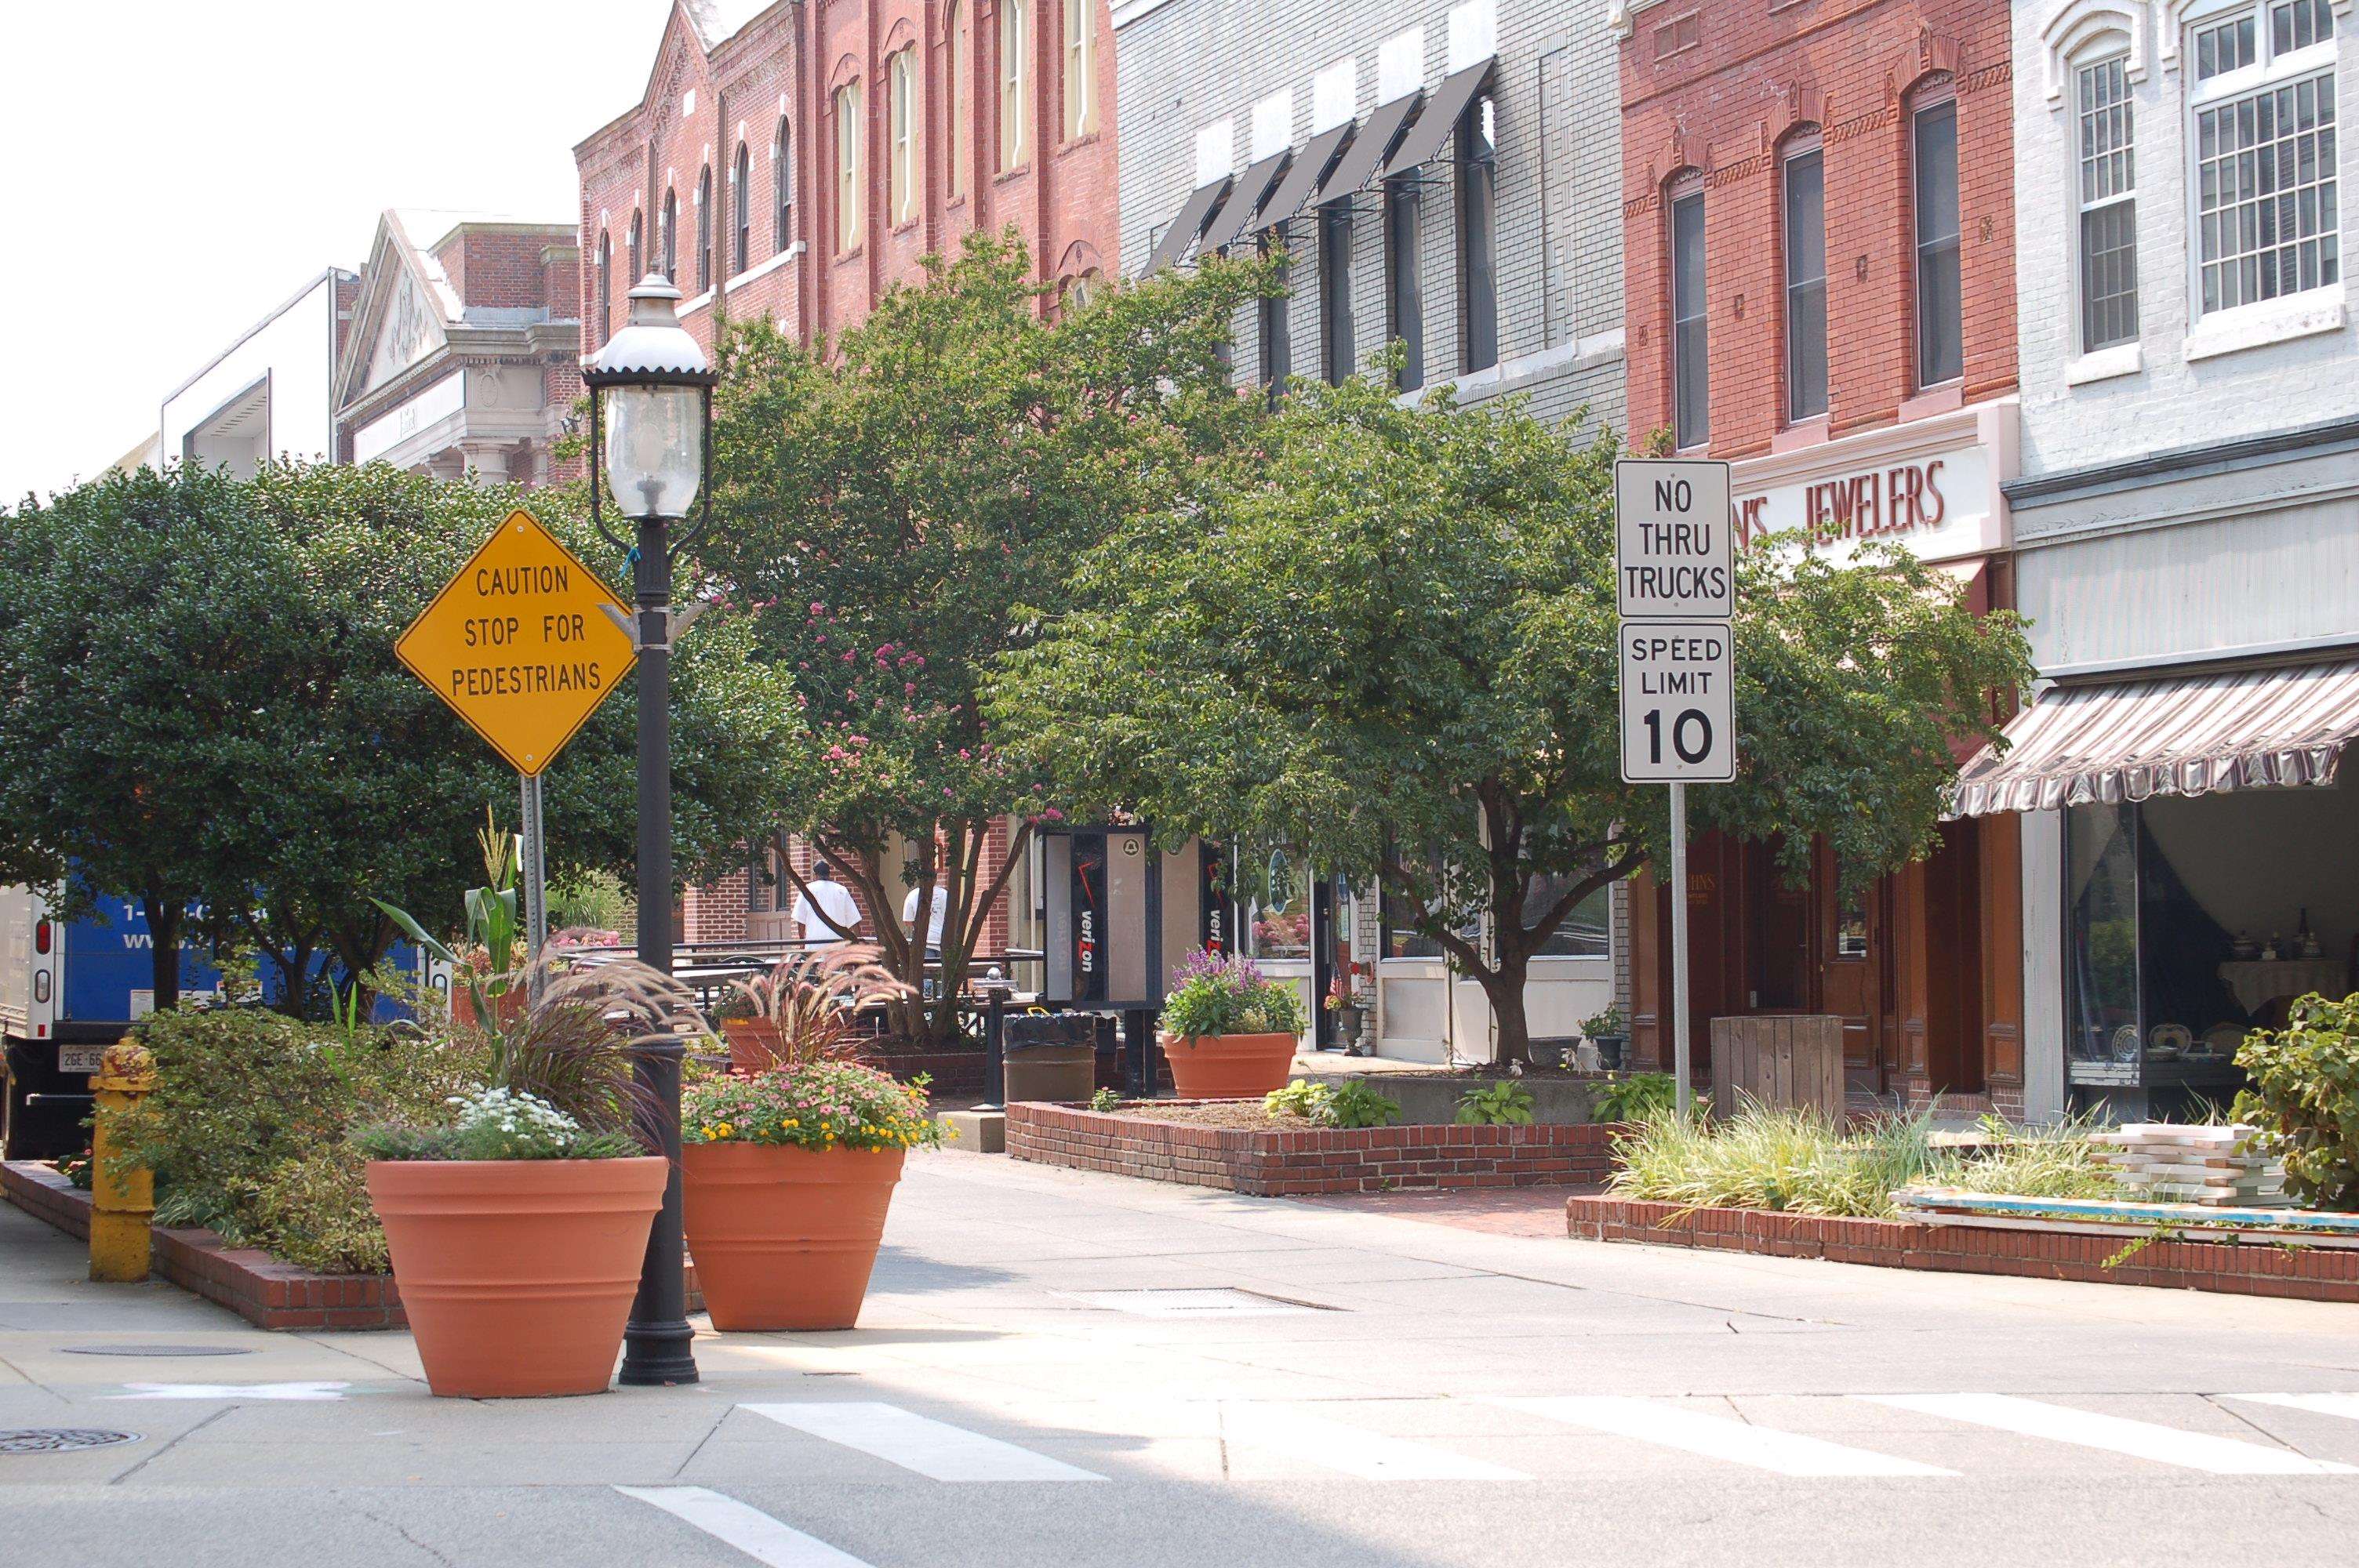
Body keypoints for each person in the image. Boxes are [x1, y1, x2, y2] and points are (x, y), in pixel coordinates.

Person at [791, 860, 860, 951]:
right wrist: (858, 943)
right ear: (829, 874)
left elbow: (801, 921)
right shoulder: (841, 890)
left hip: (814, 945)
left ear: (815, 874)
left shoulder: (807, 890)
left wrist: (802, 942)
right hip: (838, 944)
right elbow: (854, 920)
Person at [903, 880, 949, 957]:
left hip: (923, 940)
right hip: (943, 940)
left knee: (926, 968)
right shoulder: (945, 894)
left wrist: (919, 923)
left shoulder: (912, 895)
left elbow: (908, 921)